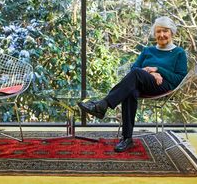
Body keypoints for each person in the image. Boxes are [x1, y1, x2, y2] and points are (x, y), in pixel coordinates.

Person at [78, 16, 188, 152]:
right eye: (158, 31)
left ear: (172, 32)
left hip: (163, 87)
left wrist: (159, 70)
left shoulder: (178, 53)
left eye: (165, 31)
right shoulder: (148, 50)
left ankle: (103, 104)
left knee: (136, 75)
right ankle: (127, 139)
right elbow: (134, 69)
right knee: (131, 90)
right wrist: (150, 73)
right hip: (143, 83)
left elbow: (179, 78)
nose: (162, 35)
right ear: (155, 34)